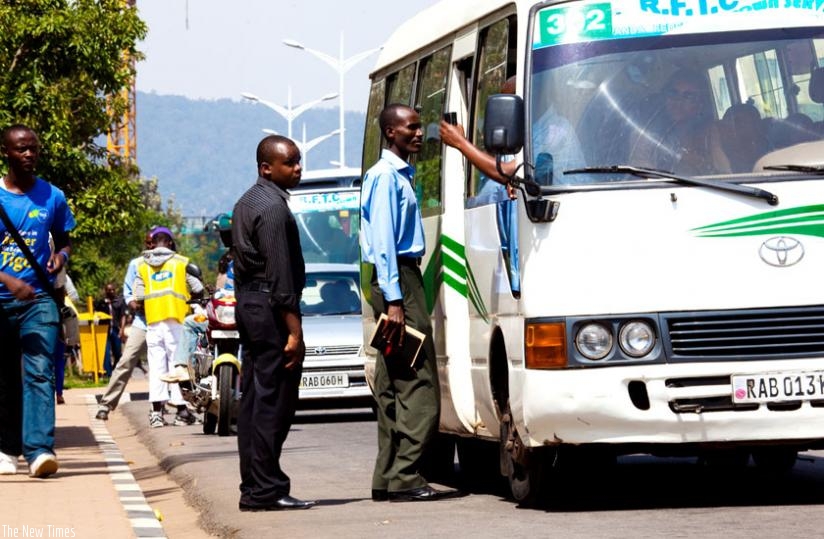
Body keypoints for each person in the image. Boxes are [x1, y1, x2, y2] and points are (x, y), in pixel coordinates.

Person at [361, 104, 464, 502]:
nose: (419, 134)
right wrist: (395, 300)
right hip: (398, 280)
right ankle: (406, 475)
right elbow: (385, 243)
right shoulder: (387, 177)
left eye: (420, 128)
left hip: (398, 279)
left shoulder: (396, 174)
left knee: (391, 383)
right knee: (420, 384)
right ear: (391, 133)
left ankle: (387, 476)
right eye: (411, 128)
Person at [231, 134, 315, 512]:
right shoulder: (274, 209)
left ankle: (254, 485)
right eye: (290, 162)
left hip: (249, 302)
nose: (298, 168)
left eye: (298, 161)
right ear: (267, 167)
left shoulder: (246, 202)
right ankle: (266, 488)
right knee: (274, 401)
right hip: (268, 306)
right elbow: (281, 279)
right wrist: (295, 332)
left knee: (254, 399)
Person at [0, 124, 75, 478]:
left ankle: (40, 450)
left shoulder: (53, 196)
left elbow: (63, 239)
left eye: (33, 148)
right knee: (5, 378)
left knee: (39, 371)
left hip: (39, 299)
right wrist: (7, 280)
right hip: (2, 299)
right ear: (6, 153)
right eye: (21, 149)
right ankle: (7, 446)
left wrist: (61, 257)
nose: (29, 154)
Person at [131, 227, 202, 427]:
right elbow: (197, 287)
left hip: (153, 322)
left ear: (153, 244)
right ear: (170, 243)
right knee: (177, 366)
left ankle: (156, 413)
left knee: (156, 367)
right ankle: (181, 411)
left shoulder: (143, 266)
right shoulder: (180, 263)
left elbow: (138, 296)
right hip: (176, 322)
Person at [95, 231, 155, 421]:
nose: (151, 247)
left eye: (155, 243)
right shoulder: (136, 264)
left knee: (174, 364)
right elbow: (128, 292)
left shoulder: (174, 263)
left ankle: (179, 406)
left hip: (166, 321)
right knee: (126, 360)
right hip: (142, 321)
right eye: (148, 243)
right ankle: (106, 404)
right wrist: (133, 304)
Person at [628, 68, 730, 175]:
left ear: (701, 104)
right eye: (673, 93)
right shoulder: (644, 136)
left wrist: (701, 163)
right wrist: (679, 157)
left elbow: (726, 175)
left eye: (688, 96)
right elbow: (645, 177)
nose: (678, 101)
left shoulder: (711, 134)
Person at [95, 282, 125, 376]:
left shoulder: (119, 301)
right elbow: (96, 314)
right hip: (104, 330)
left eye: (113, 290)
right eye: (109, 290)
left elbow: (123, 316)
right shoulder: (101, 303)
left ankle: (115, 370)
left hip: (116, 329)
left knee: (118, 352)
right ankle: (108, 374)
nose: (111, 291)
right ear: (106, 291)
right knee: (106, 352)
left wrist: (122, 329)